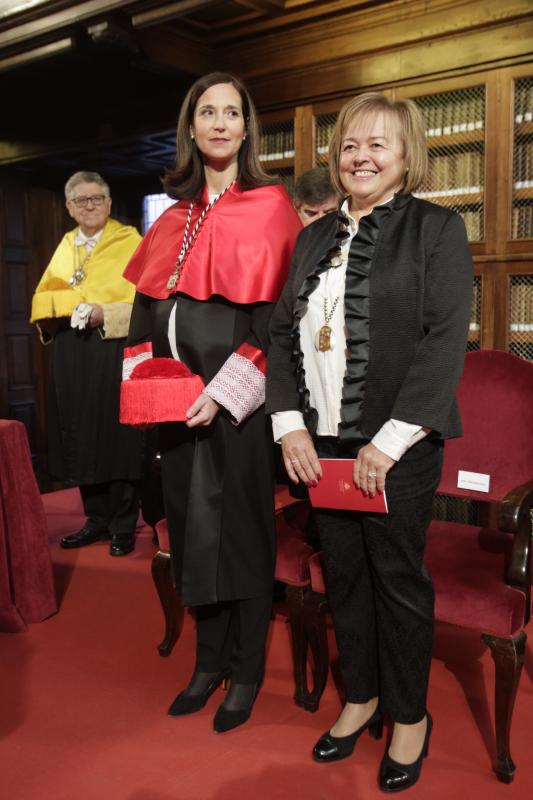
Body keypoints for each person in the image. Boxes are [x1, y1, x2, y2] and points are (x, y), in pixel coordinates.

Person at [266, 92, 472, 792]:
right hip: (319, 443)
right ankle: (361, 697)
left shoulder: (436, 229)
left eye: (378, 144)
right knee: (343, 578)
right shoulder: (311, 237)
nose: (361, 156)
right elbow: (278, 332)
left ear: (407, 155)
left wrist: (385, 443)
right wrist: (288, 424)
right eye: (351, 144)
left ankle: (410, 715)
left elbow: (444, 342)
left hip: (397, 447)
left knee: (397, 583)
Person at [122, 72, 301, 732]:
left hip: (236, 407)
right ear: (190, 129)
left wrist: (222, 395)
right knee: (194, 534)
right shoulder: (171, 217)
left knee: (243, 537)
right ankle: (207, 662)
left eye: (232, 112)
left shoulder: (271, 208)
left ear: (246, 128)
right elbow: (145, 315)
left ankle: (247, 670)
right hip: (174, 405)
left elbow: (274, 325)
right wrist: (147, 386)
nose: (221, 123)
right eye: (208, 113)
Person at [31, 171, 143, 557]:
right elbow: (46, 295)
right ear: (68, 207)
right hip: (71, 351)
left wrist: (103, 313)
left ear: (110, 203)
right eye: (81, 201)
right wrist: (54, 314)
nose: (90, 206)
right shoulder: (65, 246)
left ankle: (124, 523)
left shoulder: (130, 241)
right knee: (78, 432)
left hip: (112, 349)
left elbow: (147, 306)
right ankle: (96, 519)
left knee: (117, 436)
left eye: (97, 199)